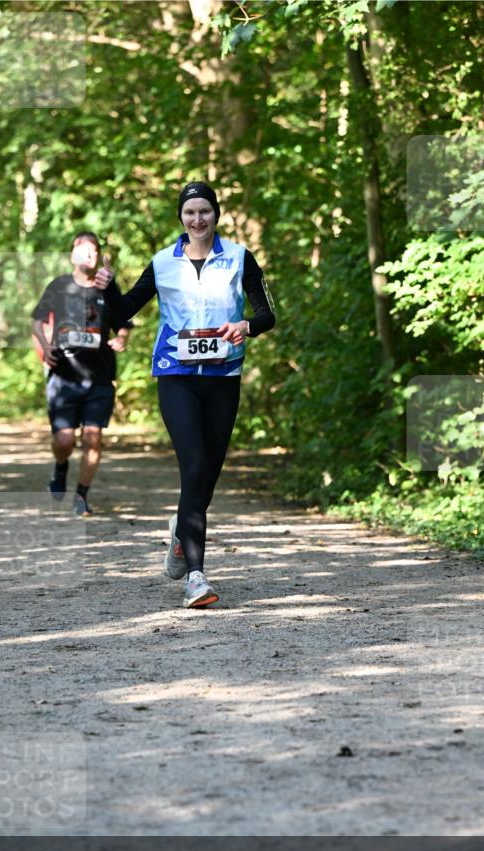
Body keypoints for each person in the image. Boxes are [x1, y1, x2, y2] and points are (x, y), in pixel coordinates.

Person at [94, 181, 276, 607]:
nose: (198, 219)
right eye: (190, 212)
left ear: (216, 214)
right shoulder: (162, 263)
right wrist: (107, 289)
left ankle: (182, 528)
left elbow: (268, 314)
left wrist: (247, 325)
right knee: (193, 467)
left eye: (205, 212)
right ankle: (196, 576)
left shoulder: (239, 258)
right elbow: (121, 313)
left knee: (207, 475)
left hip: (223, 377)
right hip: (175, 376)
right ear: (181, 217)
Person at [31, 232, 133, 515]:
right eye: (83, 249)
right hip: (63, 379)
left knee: (93, 437)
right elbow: (37, 321)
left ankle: (81, 496)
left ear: (99, 255)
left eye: (94, 250)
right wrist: (45, 344)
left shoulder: (107, 288)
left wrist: (122, 339)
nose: (90, 254)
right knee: (64, 441)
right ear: (72, 253)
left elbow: (123, 323)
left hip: (99, 378)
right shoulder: (59, 286)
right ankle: (60, 467)